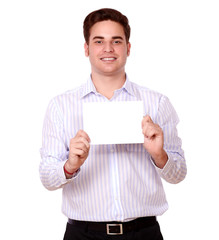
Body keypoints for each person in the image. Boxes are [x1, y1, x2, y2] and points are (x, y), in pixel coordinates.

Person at [39, 8, 187, 240]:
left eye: (116, 41)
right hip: (83, 234)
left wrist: (160, 155)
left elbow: (178, 174)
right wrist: (70, 165)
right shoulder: (60, 106)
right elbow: (47, 177)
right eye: (99, 41)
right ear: (86, 48)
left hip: (143, 233)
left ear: (128, 48)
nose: (108, 49)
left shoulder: (157, 103)